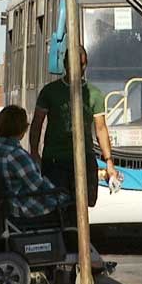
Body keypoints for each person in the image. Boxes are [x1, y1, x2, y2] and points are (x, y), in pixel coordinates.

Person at [29, 47, 118, 208]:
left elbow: (101, 129)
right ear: (65, 65)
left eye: (82, 65)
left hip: (85, 158)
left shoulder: (94, 94)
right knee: (56, 206)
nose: (79, 69)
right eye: (75, 65)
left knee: (84, 203)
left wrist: (109, 162)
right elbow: (37, 123)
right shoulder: (50, 92)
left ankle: (77, 231)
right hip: (55, 160)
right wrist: (34, 152)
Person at [0, 105, 71, 218]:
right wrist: (62, 196)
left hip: (3, 209)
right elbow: (37, 186)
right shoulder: (16, 154)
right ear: (21, 128)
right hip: (22, 209)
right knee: (69, 207)